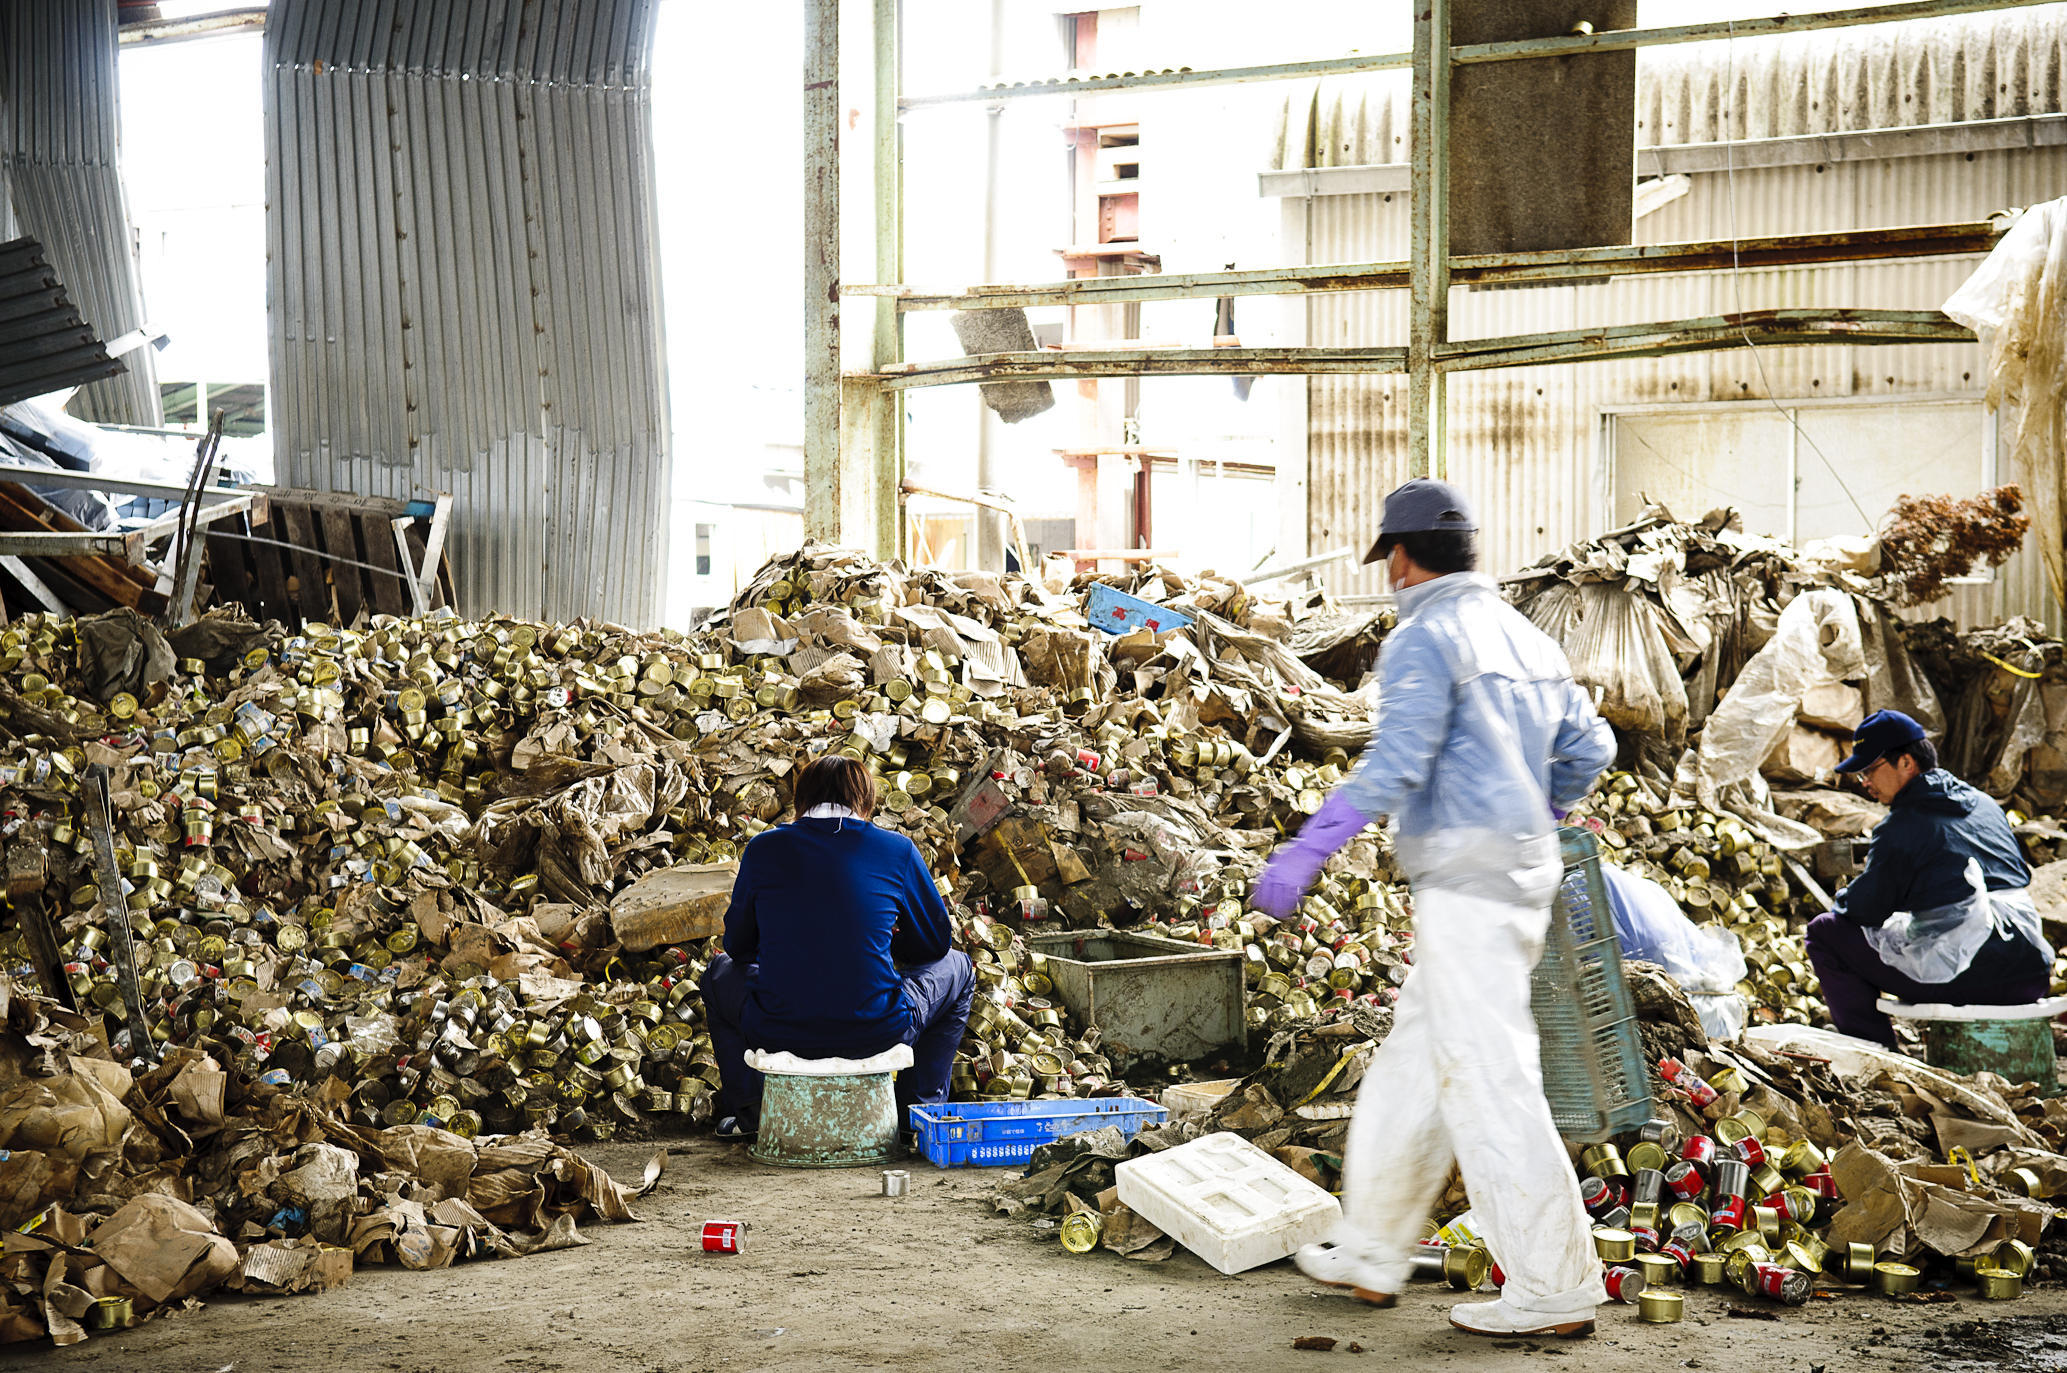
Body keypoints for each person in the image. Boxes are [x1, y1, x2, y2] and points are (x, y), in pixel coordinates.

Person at [1252, 478, 1616, 1340]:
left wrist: (1311, 842)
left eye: (1389, 562)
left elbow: (1396, 761)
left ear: (1403, 557)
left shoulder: (1425, 636)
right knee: (1416, 1066)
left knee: (1487, 1078)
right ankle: (1371, 1248)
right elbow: (1590, 744)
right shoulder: (1525, 636)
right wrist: (1543, 808)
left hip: (1465, 885)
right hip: (1519, 875)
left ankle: (1553, 1282)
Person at [699, 754, 975, 1138]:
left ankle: (750, 1115)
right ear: (867, 800)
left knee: (716, 973)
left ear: (802, 800)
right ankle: (918, 1117)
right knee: (959, 968)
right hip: (878, 1028)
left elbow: (738, 947)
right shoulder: (897, 850)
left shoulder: (763, 849)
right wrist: (885, 941)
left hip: (778, 1028)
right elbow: (934, 945)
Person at [1804, 709, 2050, 1047]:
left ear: (1906, 762)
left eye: (1869, 771)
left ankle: (1875, 1054)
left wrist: (1847, 898)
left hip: (1970, 978)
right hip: (2030, 974)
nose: (1865, 784)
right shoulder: (1985, 803)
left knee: (1824, 932)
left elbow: (1863, 910)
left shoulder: (1901, 826)